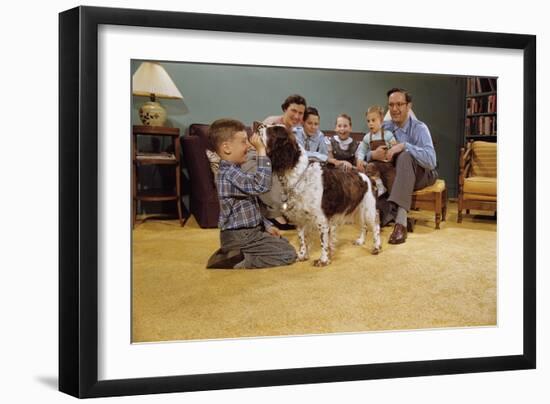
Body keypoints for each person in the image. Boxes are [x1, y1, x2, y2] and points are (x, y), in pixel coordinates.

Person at [206, 118, 297, 269]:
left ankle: (235, 252)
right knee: (288, 253)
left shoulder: (235, 170)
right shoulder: (228, 173)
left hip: (247, 233)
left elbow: (251, 206)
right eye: (243, 142)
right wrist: (261, 151)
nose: (249, 146)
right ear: (227, 148)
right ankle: (240, 260)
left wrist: (267, 226)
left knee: (282, 242)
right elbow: (260, 185)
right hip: (241, 236)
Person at [376, 88, 438, 245]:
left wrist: (404, 146)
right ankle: (393, 213)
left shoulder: (420, 128)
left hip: (423, 174)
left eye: (399, 104)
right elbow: (365, 150)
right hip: (398, 176)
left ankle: (401, 223)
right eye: (391, 105)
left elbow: (431, 161)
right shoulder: (385, 127)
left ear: (408, 106)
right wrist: (374, 154)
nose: (395, 109)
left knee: (404, 156)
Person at [242, 94, 307, 230]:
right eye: (293, 111)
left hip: (274, 158)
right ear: (285, 109)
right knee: (274, 174)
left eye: (300, 113)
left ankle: (287, 209)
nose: (296, 116)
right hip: (258, 155)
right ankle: (274, 214)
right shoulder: (271, 123)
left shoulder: (297, 131)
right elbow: (259, 143)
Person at [356, 105, 396, 196]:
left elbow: (394, 145)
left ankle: (393, 199)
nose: (370, 123)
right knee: (369, 168)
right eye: (368, 121)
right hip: (375, 164)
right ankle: (379, 186)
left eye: (373, 120)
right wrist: (360, 159)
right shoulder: (367, 137)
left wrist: (392, 144)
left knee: (392, 177)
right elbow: (362, 150)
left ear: (381, 121)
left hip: (387, 164)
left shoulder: (387, 134)